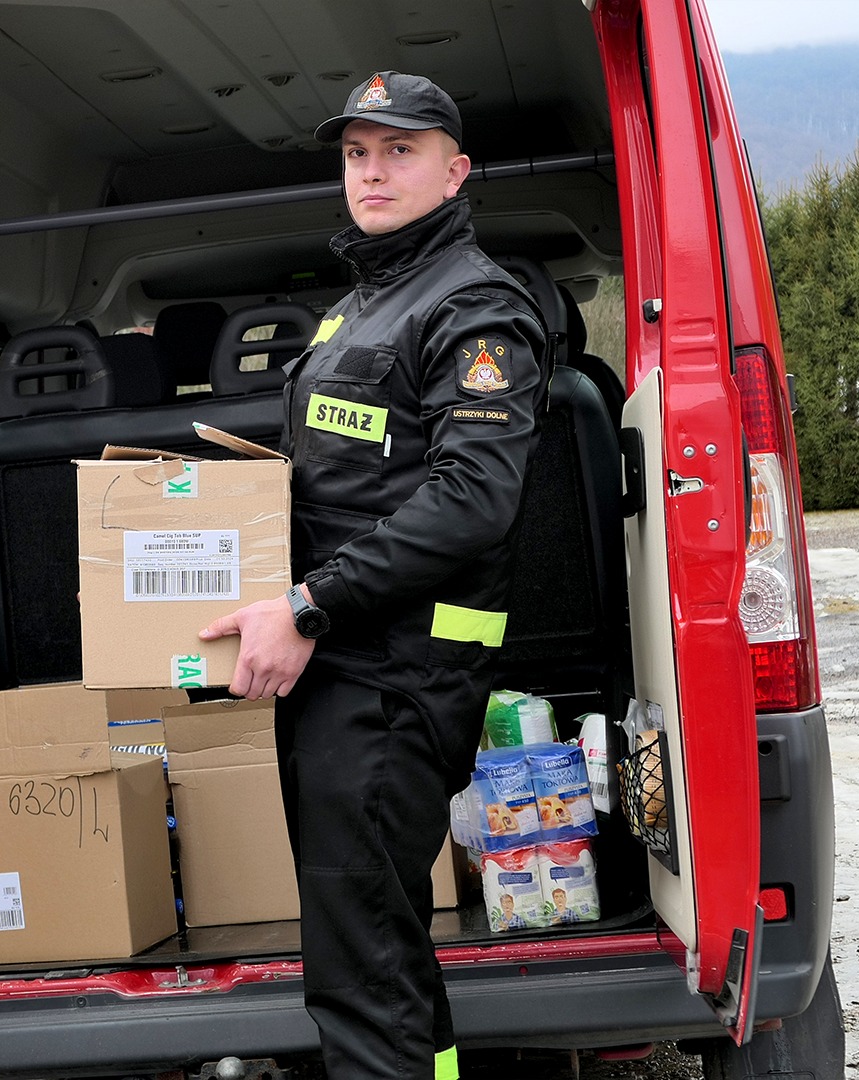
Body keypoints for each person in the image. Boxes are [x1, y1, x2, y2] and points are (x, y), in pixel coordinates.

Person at [200, 71, 549, 1080]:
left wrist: (309, 604)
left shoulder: (475, 309)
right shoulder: (361, 306)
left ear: (456, 170)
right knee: (379, 947)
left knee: (361, 971)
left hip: (395, 676)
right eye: (357, 153)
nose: (372, 172)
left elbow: (473, 501)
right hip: (347, 672)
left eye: (400, 150)